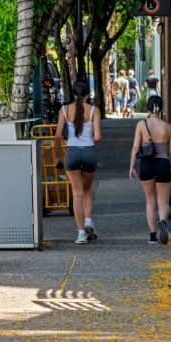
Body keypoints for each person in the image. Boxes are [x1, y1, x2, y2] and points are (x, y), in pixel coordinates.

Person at [54, 79, 102, 244]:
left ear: (73, 94)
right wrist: (88, 142)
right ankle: (88, 220)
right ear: (88, 94)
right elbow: (97, 137)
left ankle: (81, 234)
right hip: (89, 153)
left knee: (77, 193)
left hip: (72, 153)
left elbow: (58, 137)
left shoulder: (65, 110)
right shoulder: (94, 110)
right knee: (87, 189)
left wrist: (58, 157)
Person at [129, 95, 171, 245]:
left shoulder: (141, 125)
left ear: (148, 108)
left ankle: (153, 236)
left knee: (150, 201)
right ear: (161, 109)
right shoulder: (169, 127)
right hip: (163, 164)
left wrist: (132, 166)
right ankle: (163, 222)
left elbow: (135, 147)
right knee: (164, 201)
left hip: (147, 164)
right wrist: (170, 165)